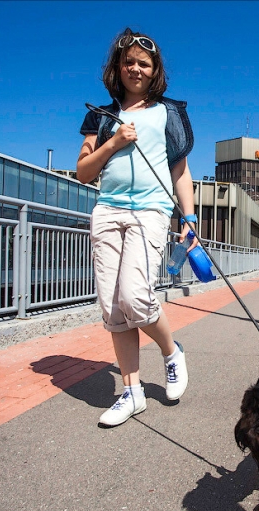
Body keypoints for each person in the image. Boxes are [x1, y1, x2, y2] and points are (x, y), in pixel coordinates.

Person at [76, 27, 196, 427]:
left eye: (144, 63)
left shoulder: (169, 113)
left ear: (155, 69)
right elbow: (83, 172)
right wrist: (113, 143)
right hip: (108, 210)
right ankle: (132, 393)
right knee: (112, 307)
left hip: (150, 211)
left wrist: (190, 218)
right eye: (128, 61)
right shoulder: (102, 116)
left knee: (135, 294)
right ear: (118, 67)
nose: (135, 68)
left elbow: (180, 172)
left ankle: (170, 351)